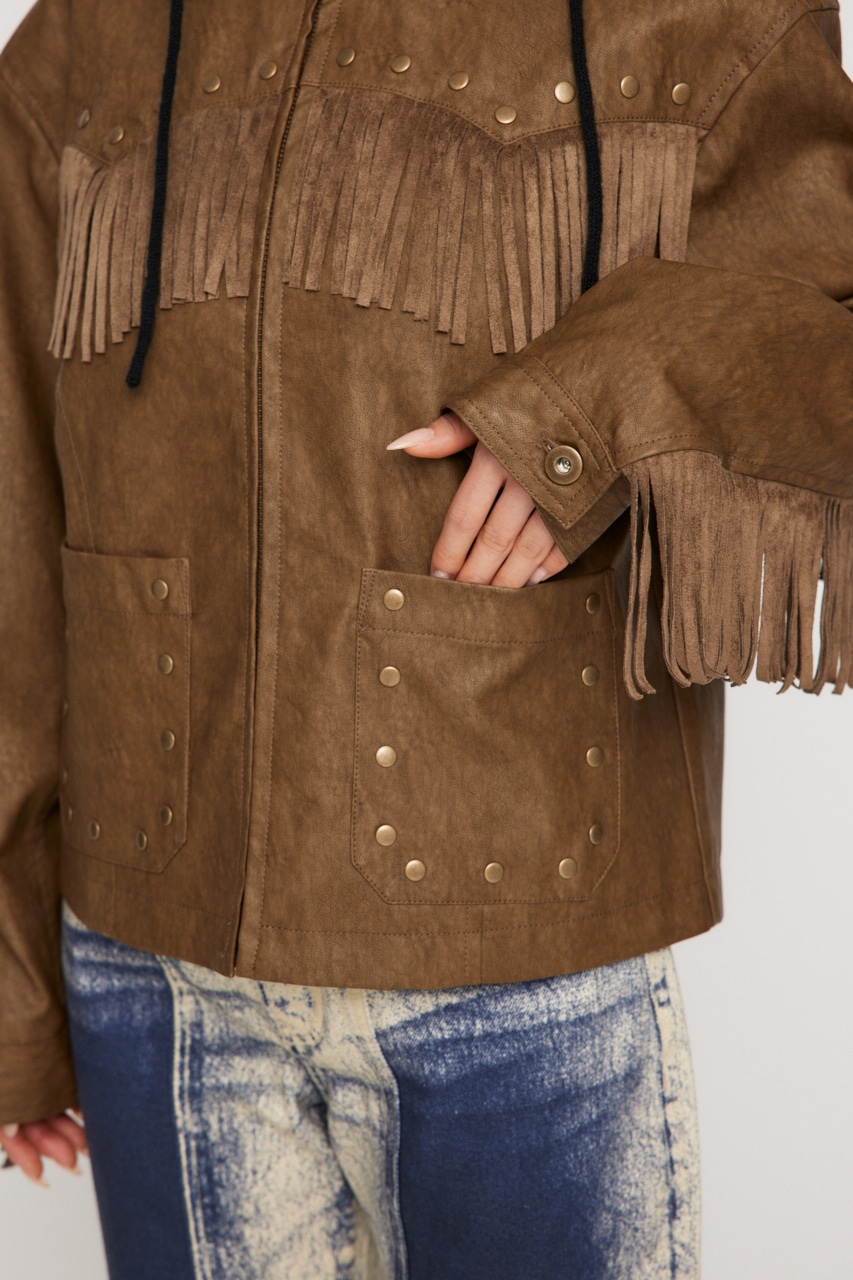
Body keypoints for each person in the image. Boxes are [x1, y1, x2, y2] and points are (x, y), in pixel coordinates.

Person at [1, 0, 851, 1275]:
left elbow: (825, 290)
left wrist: (595, 407)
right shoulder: (87, 34)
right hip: (153, 972)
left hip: (525, 961)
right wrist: (13, 989)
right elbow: (12, 480)